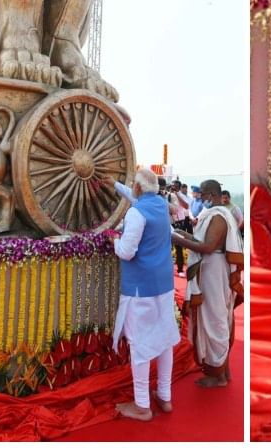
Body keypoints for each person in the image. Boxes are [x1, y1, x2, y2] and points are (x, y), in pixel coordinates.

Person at [104, 168, 181, 421]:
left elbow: (126, 251)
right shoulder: (159, 204)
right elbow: (136, 197)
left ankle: (142, 405)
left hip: (141, 288)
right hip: (163, 285)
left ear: (137, 188)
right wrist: (114, 184)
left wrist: (112, 240)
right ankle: (164, 396)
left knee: (139, 343)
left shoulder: (136, 212)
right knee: (165, 339)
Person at [172, 179, 244, 387]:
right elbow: (199, 241)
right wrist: (180, 234)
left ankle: (218, 376)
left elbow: (208, 246)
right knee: (215, 318)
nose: (200, 197)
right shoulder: (213, 214)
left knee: (215, 320)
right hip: (210, 270)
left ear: (212, 194)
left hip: (214, 272)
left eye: (203, 194)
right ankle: (223, 368)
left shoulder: (219, 217)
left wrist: (178, 241)